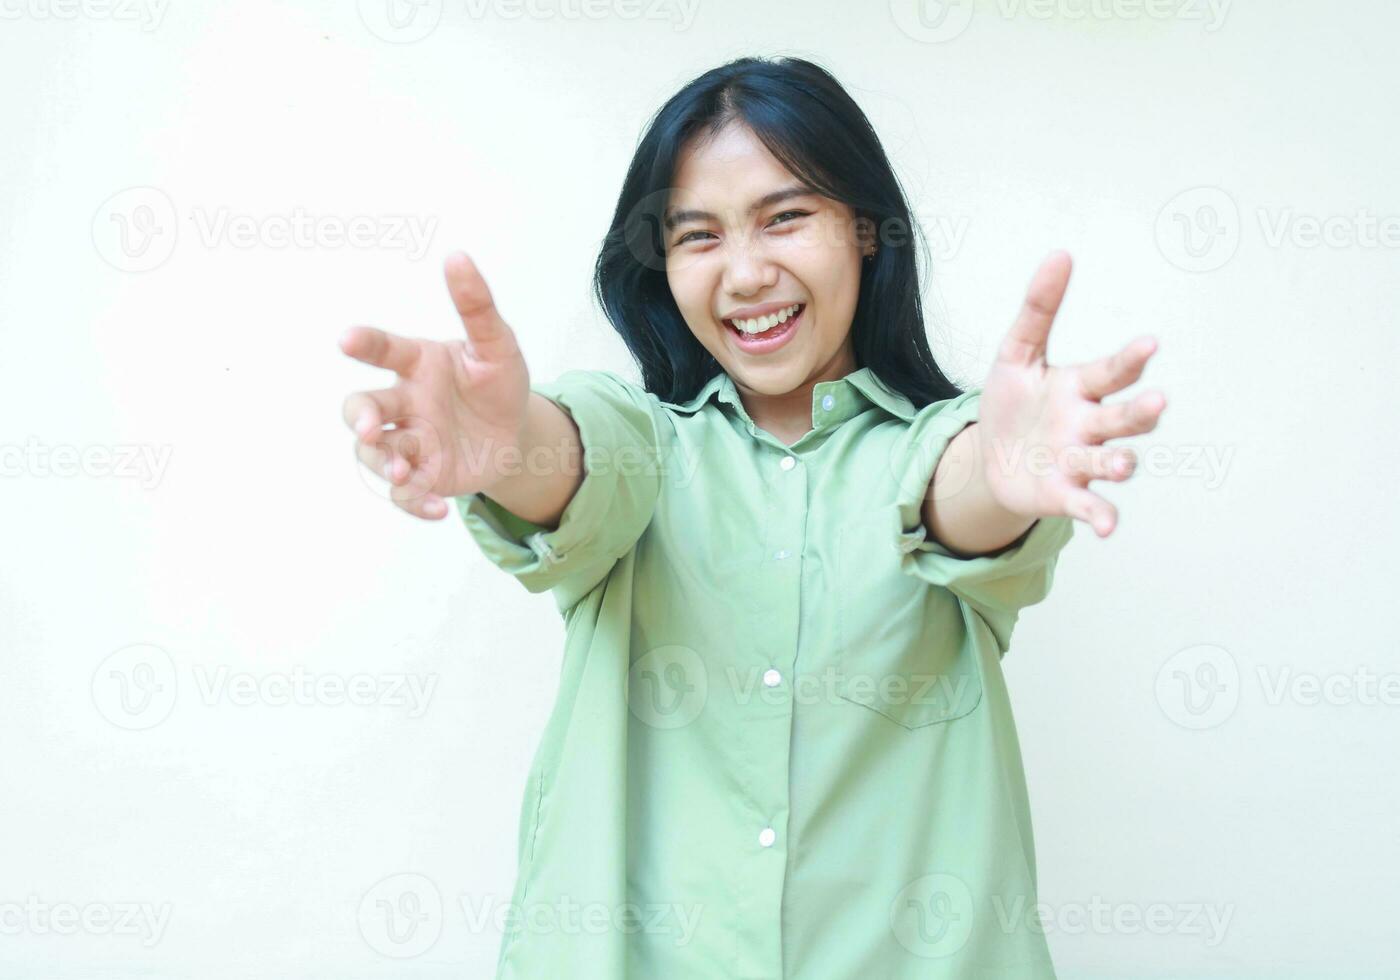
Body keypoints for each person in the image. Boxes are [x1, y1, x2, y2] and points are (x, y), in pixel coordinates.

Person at [338, 55, 1164, 980]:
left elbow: (951, 501)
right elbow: (582, 464)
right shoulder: (644, 446)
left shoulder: (942, 451)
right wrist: (508, 447)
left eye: (786, 217)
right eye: (698, 236)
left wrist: (1005, 473)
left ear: (864, 229)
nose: (745, 274)